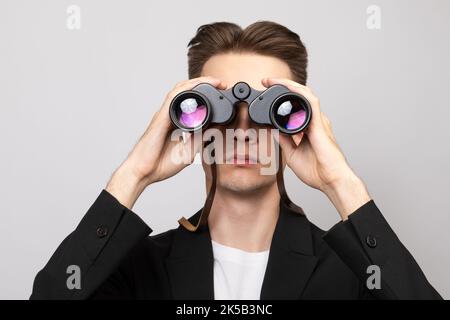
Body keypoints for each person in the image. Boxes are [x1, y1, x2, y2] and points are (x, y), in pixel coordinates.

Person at [30, 21, 441, 300]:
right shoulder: (139, 271)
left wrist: (341, 184)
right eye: (219, 107)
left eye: (271, 108)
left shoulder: (354, 273)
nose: (243, 127)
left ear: (298, 119)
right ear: (193, 121)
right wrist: (133, 173)